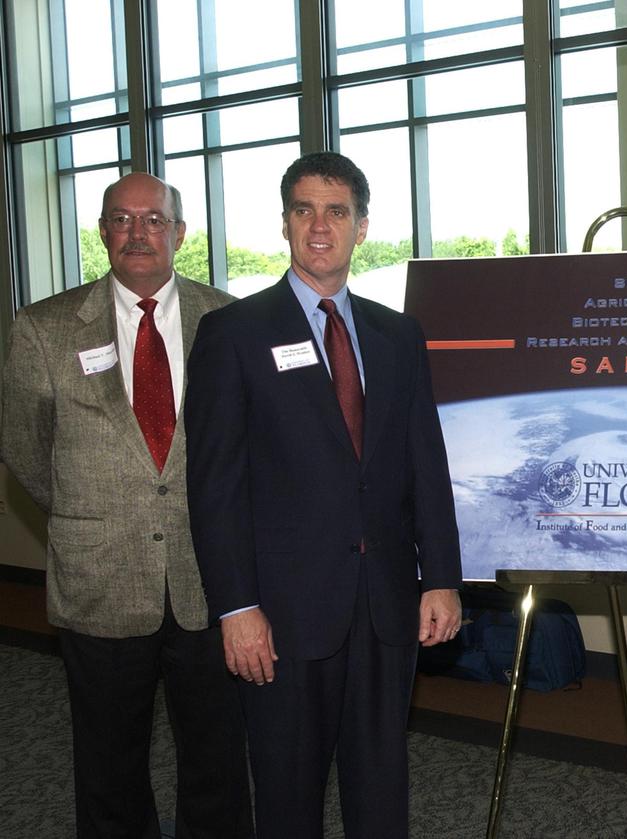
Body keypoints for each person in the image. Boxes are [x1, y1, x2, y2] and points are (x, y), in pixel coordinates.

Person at [184, 151, 463, 838]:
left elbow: (426, 463)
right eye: (304, 209)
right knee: (286, 797)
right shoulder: (234, 334)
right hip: (282, 616)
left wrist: (443, 579)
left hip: (385, 608)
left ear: (361, 227)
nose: (319, 225)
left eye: (336, 211)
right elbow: (214, 486)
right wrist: (236, 605)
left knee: (381, 794)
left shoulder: (398, 334)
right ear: (285, 223)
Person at [0, 173, 252, 837]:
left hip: (209, 576)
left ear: (180, 233)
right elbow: (28, 452)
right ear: (104, 232)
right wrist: (95, 511)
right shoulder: (44, 328)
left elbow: (248, 450)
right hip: (100, 579)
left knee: (218, 755)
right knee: (108, 761)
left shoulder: (228, 321)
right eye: (121, 219)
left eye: (152, 219)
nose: (137, 233)